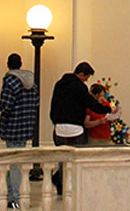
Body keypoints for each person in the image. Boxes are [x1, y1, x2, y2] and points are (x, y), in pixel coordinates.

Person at [50, 62, 117, 195]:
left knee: (63, 160)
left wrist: (55, 120)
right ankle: (75, 187)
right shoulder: (79, 87)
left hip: (59, 128)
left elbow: (53, 104)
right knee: (77, 160)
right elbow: (91, 104)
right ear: (81, 74)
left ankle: (61, 187)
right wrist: (108, 109)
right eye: (86, 77)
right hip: (76, 129)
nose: (87, 80)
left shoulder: (59, 84)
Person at [0, 53, 39, 209]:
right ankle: (12, 195)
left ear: (8, 64)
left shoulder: (10, 81)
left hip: (12, 125)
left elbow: (6, 105)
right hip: (26, 125)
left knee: (12, 163)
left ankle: (15, 198)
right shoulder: (32, 82)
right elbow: (36, 102)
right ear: (21, 63)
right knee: (16, 162)